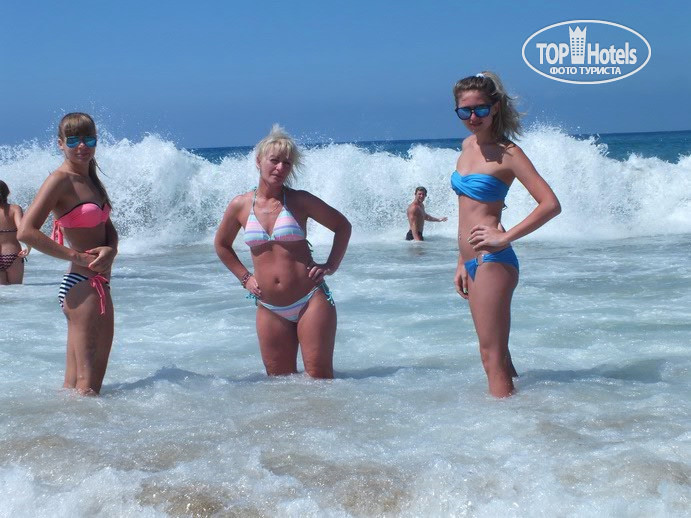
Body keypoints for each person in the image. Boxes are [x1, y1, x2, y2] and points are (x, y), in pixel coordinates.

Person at [451, 72, 560, 397]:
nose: (473, 117)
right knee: (499, 353)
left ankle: (500, 424)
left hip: (493, 260)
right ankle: (521, 416)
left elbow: (550, 204)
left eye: (481, 109)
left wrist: (505, 237)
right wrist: (461, 261)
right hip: (472, 262)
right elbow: (466, 211)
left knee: (491, 357)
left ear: (495, 107)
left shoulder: (508, 153)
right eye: (465, 111)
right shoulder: (467, 145)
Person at [215, 125, 351, 379]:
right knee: (279, 385)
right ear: (259, 161)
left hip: (311, 300)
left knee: (320, 380)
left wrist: (331, 265)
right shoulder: (240, 205)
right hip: (269, 307)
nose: (280, 168)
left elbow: (342, 226)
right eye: (274, 160)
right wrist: (245, 278)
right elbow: (221, 245)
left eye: (287, 163)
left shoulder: (300, 200)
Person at [18, 113, 118, 395]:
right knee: (88, 387)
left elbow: (108, 226)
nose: (81, 146)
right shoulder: (60, 180)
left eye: (88, 139)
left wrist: (112, 249)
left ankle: (65, 425)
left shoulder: (91, 179)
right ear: (60, 143)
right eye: (73, 140)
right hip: (82, 284)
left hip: (97, 284)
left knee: (75, 386)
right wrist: (77, 257)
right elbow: (26, 231)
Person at [0, 181, 30, 284]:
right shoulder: (15, 209)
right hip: (12, 253)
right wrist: (28, 247)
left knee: (3, 292)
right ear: (8, 193)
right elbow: (23, 230)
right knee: (16, 290)